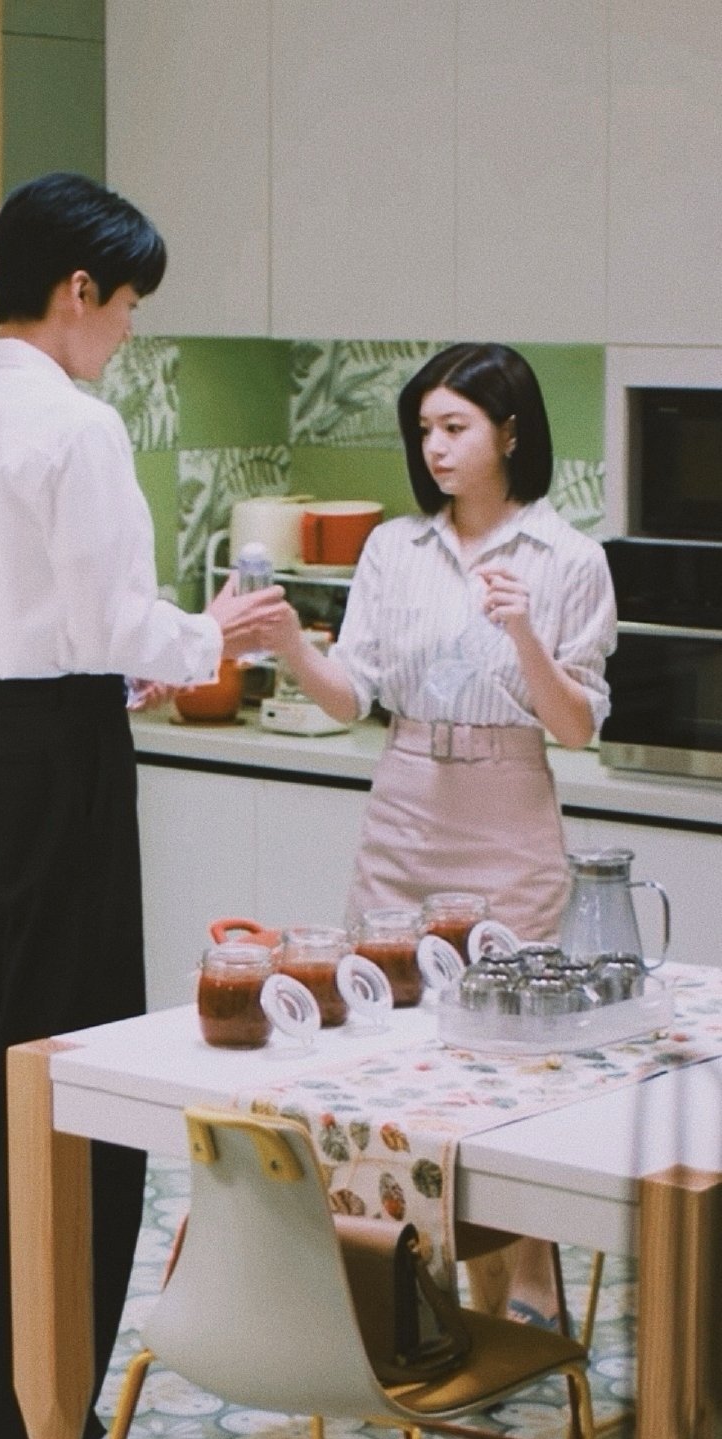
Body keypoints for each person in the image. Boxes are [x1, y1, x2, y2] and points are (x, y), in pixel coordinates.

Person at [0, 171, 289, 1439]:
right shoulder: (76, 427)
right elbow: (117, 624)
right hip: (67, 759)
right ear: (77, 289)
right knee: (74, 1067)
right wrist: (209, 632)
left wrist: (68, 657)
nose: (126, 331)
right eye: (126, 306)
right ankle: (45, 1394)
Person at [263, 341, 617, 1320]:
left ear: (511, 431)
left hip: (509, 810)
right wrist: (291, 644)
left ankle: (524, 1278)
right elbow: (351, 698)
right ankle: (411, 1297)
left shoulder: (569, 558)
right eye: (424, 429)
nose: (435, 448)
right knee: (390, 1047)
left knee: (510, 1060)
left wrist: (524, 633)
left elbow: (575, 727)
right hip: (407, 799)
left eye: (455, 427)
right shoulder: (393, 550)